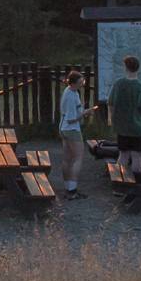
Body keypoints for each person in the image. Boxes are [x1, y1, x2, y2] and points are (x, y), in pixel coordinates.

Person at [108, 53, 141, 176]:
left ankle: (118, 180)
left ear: (125, 68)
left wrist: (112, 120)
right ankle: (135, 182)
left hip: (122, 128)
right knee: (137, 157)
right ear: (138, 68)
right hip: (138, 129)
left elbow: (111, 103)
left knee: (123, 155)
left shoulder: (118, 84)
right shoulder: (140, 87)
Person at [57, 69, 88, 197]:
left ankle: (68, 187)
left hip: (64, 129)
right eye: (80, 82)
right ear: (73, 83)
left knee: (68, 158)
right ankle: (72, 190)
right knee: (77, 158)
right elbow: (71, 119)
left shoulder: (71, 91)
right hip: (71, 130)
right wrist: (85, 113)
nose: (82, 84)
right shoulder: (70, 96)